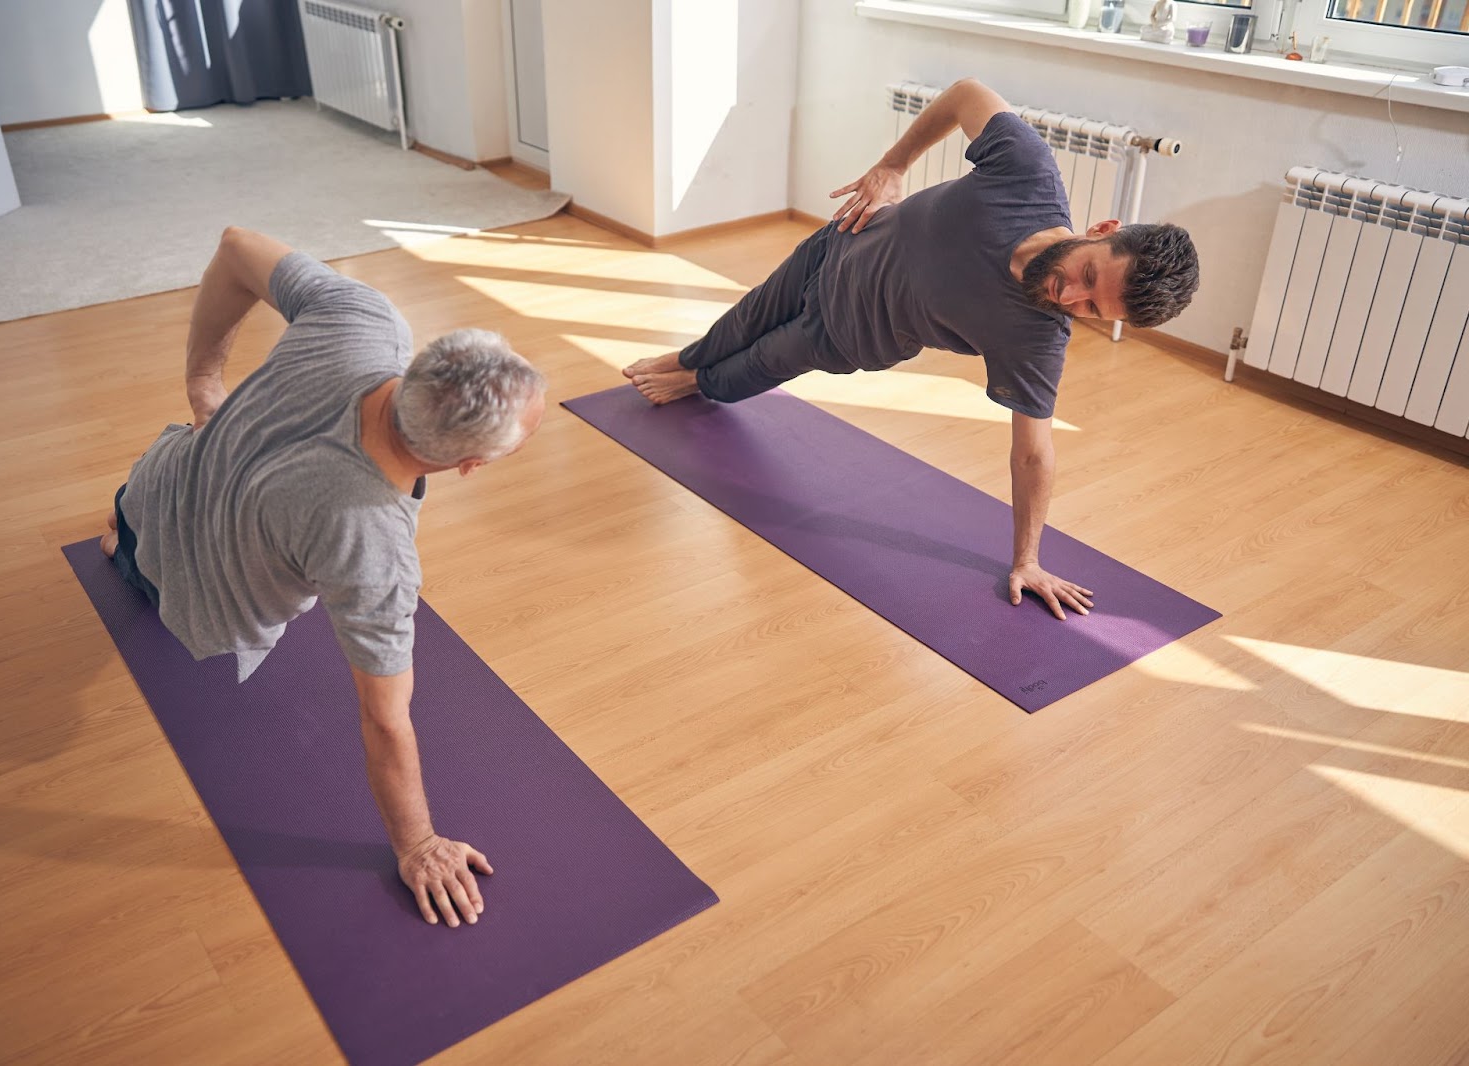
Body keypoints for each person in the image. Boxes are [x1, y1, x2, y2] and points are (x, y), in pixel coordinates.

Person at [623, 78, 1199, 621]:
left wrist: (1027, 560)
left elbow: (1033, 454)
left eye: (1092, 309)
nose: (1069, 295)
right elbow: (966, 94)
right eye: (1087, 274)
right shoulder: (1026, 175)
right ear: (1102, 229)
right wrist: (894, 163)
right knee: (747, 314)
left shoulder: (1036, 338)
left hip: (845, 333)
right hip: (841, 243)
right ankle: (688, 361)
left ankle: (699, 381)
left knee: (754, 364)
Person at [101, 227, 546, 929]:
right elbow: (384, 718)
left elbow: (235, 246)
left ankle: (120, 536)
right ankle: (125, 553)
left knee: (129, 528)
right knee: (142, 572)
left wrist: (202, 380)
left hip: (156, 483)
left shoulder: (361, 319)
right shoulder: (371, 544)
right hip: (183, 589)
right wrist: (418, 843)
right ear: (469, 466)